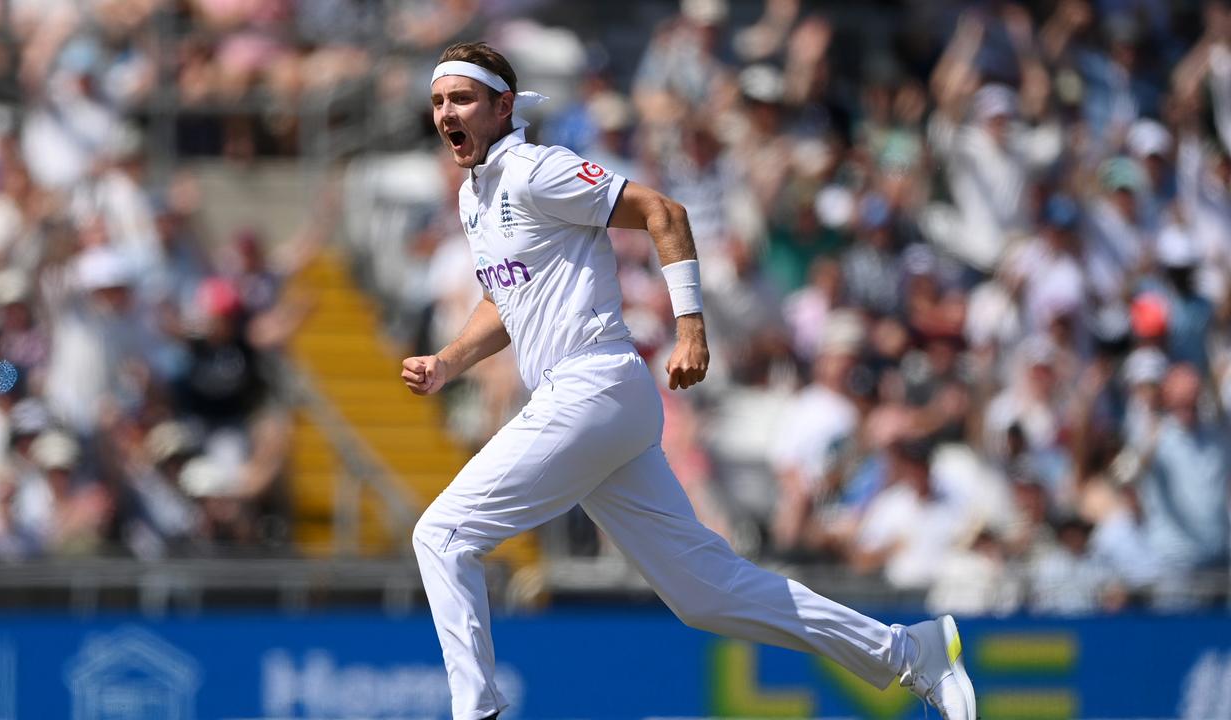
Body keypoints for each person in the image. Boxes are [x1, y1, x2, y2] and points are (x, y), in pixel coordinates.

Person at [401, 42, 976, 720]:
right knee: (706, 595)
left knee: (440, 535)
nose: (447, 113)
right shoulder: (478, 194)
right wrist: (448, 361)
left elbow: (663, 212)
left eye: (461, 99)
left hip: (590, 386)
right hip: (597, 407)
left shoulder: (534, 169)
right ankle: (908, 652)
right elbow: (507, 301)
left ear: (503, 106)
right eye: (439, 101)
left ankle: (475, 714)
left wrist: (692, 326)